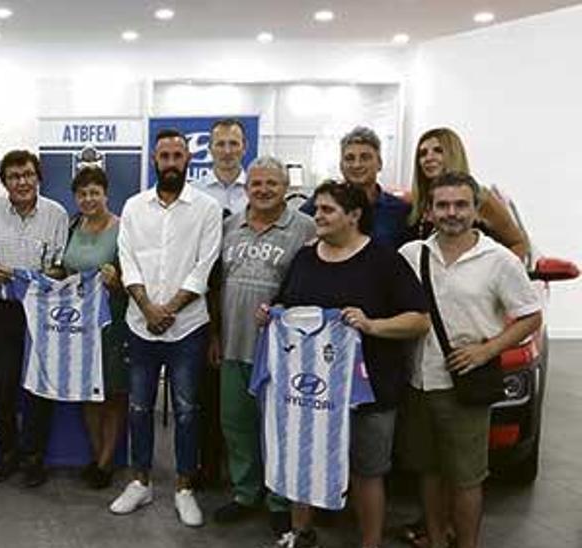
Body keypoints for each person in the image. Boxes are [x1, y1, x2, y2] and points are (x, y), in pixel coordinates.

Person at [267, 181, 429, 548]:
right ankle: (300, 533)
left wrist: (372, 325)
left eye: (327, 210)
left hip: (370, 392)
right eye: (317, 209)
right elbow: (285, 305)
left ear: (354, 216)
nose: (317, 216)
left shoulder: (385, 260)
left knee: (366, 472)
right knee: (303, 460)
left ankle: (369, 543)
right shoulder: (306, 258)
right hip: (310, 390)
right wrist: (271, 314)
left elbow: (419, 320)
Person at [399, 172, 542, 548]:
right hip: (418, 382)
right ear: (428, 211)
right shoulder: (411, 256)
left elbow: (531, 316)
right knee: (428, 472)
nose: (452, 213)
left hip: (464, 386)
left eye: (461, 204)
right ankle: (435, 537)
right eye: (442, 205)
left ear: (477, 211)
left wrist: (487, 350)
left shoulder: (498, 260)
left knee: (466, 478)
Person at [109, 129, 222, 526]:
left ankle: (184, 488)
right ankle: (140, 482)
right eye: (164, 156)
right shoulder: (135, 207)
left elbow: (204, 266)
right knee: (139, 407)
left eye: (178, 155)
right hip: (140, 326)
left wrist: (169, 309)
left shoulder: (206, 208)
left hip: (188, 327)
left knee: (189, 410)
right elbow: (128, 261)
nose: (171, 162)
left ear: (188, 159)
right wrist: (147, 307)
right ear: (154, 160)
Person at [208, 157, 316, 537]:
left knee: (278, 429)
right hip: (234, 345)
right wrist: (216, 335)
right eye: (256, 184)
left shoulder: (305, 228)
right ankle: (244, 493)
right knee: (236, 425)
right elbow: (217, 285)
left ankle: (279, 500)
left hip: (281, 355)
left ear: (286, 187)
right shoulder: (229, 226)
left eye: (272, 183)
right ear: (246, 187)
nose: (264, 190)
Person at [0, 149, 70, 487]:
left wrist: (43, 275)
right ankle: (7, 453)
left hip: (42, 310)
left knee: (39, 387)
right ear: (4, 182)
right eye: (14, 177)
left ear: (38, 177)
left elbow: (63, 266)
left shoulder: (57, 214)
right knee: (2, 385)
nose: (22, 182)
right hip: (0, 310)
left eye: (28, 174)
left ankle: (34, 457)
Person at [55, 166, 127, 490]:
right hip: (78, 327)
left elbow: (139, 277)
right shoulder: (72, 226)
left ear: (106, 194)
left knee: (112, 395)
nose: (88, 199)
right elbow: (66, 269)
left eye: (94, 192)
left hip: (112, 323)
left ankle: (106, 462)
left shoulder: (123, 229)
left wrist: (119, 280)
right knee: (88, 394)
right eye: (82, 193)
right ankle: (96, 456)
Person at [407, 127, 528, 259]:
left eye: (438, 151)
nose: (429, 158)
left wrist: (501, 275)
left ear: (453, 154)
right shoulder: (417, 203)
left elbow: (518, 243)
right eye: (423, 153)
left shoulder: (482, 198)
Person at [302, 126, 412, 251]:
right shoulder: (318, 206)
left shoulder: (400, 211)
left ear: (380, 163)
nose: (357, 165)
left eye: (365, 157)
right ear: (341, 166)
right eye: (349, 158)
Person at [193, 118, 250, 216]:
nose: (227, 151)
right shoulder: (194, 192)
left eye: (233, 144)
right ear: (210, 148)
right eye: (220, 144)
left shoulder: (257, 192)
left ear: (244, 147)